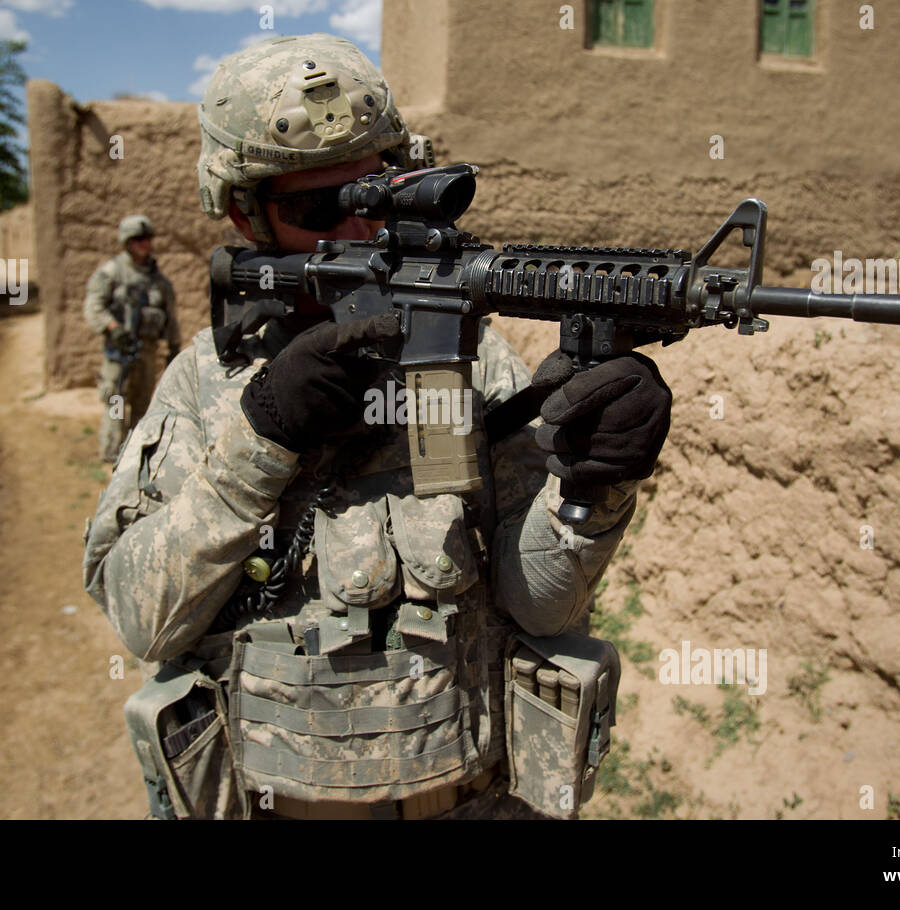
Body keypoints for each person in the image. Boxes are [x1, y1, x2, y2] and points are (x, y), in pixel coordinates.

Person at [82, 34, 672, 820]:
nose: (361, 230)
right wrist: (260, 438)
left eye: (379, 192)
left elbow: (541, 609)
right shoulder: (204, 384)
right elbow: (141, 618)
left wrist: (597, 486)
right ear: (243, 212)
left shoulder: (473, 361)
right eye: (316, 208)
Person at [83, 215, 182, 463]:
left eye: (147, 238)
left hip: (147, 353)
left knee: (143, 406)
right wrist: (113, 328)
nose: (144, 244)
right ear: (126, 242)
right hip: (120, 352)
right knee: (116, 402)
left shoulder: (159, 281)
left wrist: (174, 348)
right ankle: (112, 455)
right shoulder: (112, 273)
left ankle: (135, 456)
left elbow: (170, 317)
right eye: (138, 239)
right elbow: (93, 306)